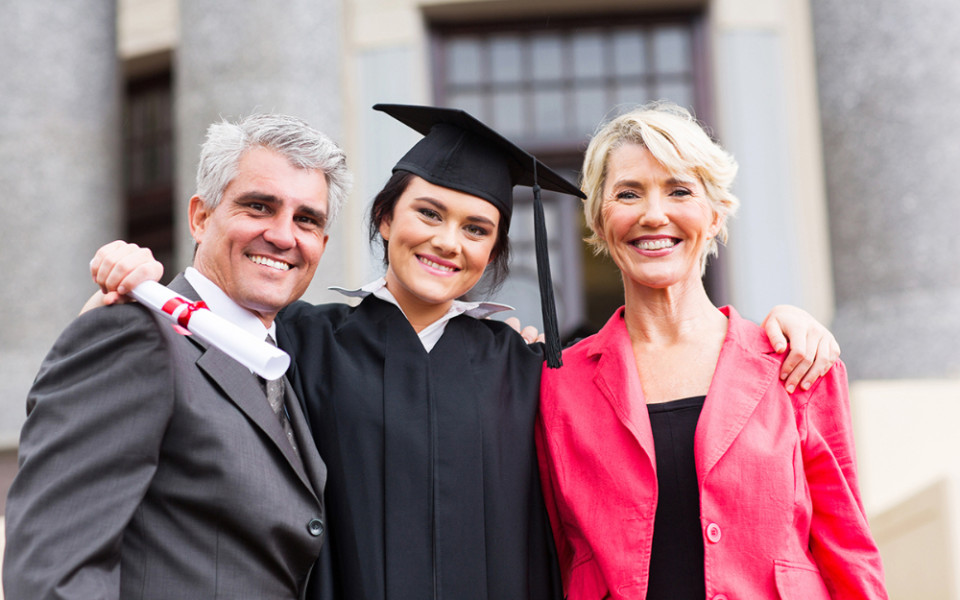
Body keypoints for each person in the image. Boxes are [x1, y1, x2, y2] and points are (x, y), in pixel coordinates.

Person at [88, 104, 841, 600]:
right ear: (384, 218)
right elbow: (202, 332)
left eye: (477, 229)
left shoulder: (532, 365)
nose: (448, 242)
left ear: (493, 253)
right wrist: (137, 281)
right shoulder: (300, 340)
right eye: (428, 213)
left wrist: (790, 323)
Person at [535, 102, 887, 599]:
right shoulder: (555, 383)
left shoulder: (797, 363)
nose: (654, 215)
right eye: (628, 193)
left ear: (716, 214)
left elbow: (847, 549)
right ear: (598, 218)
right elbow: (548, 554)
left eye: (679, 190)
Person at [3, 114, 351, 599]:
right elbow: (53, 569)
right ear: (201, 217)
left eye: (306, 219)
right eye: (258, 206)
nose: (283, 235)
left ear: (322, 245)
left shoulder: (283, 367)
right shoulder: (134, 332)